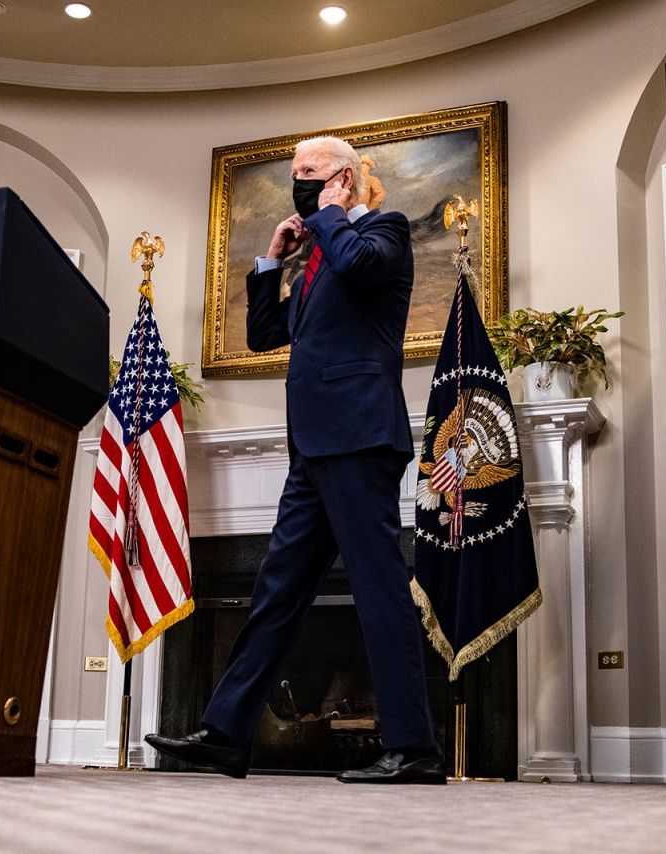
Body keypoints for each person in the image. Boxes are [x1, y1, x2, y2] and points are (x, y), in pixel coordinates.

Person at [146, 137, 443, 784]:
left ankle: (414, 746)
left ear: (340, 177)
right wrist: (271, 260)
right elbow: (264, 336)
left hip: (361, 438)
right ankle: (227, 735)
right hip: (311, 446)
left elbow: (364, 267)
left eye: (307, 174)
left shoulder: (382, 232)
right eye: (293, 177)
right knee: (275, 592)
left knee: (379, 590)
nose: (298, 186)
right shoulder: (316, 259)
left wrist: (334, 214)